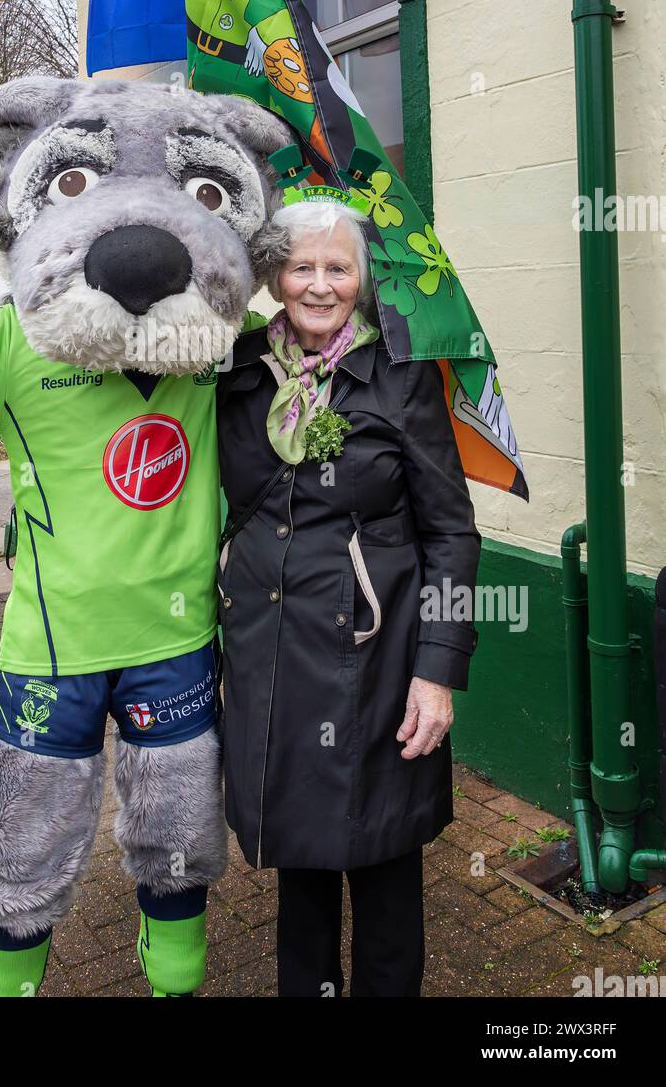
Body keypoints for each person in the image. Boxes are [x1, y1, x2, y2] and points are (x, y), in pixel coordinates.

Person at [215, 190, 482, 997]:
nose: (320, 285)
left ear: (362, 278)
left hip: (378, 659)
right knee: (299, 858)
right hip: (271, 654)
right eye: (302, 266)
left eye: (339, 267)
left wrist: (437, 673)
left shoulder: (399, 375)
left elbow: (452, 534)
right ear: (274, 275)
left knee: (383, 857)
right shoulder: (235, 369)